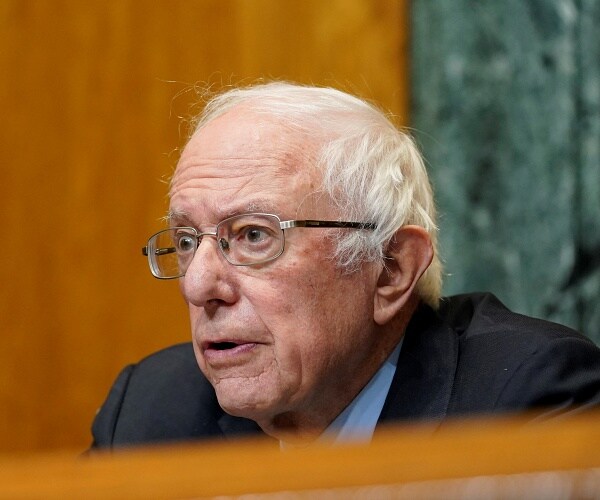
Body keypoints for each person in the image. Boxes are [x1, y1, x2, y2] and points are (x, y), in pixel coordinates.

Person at [91, 82, 600, 449]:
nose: (199, 284)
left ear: (390, 269)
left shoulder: (525, 405)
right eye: (185, 240)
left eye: (252, 236)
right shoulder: (149, 413)